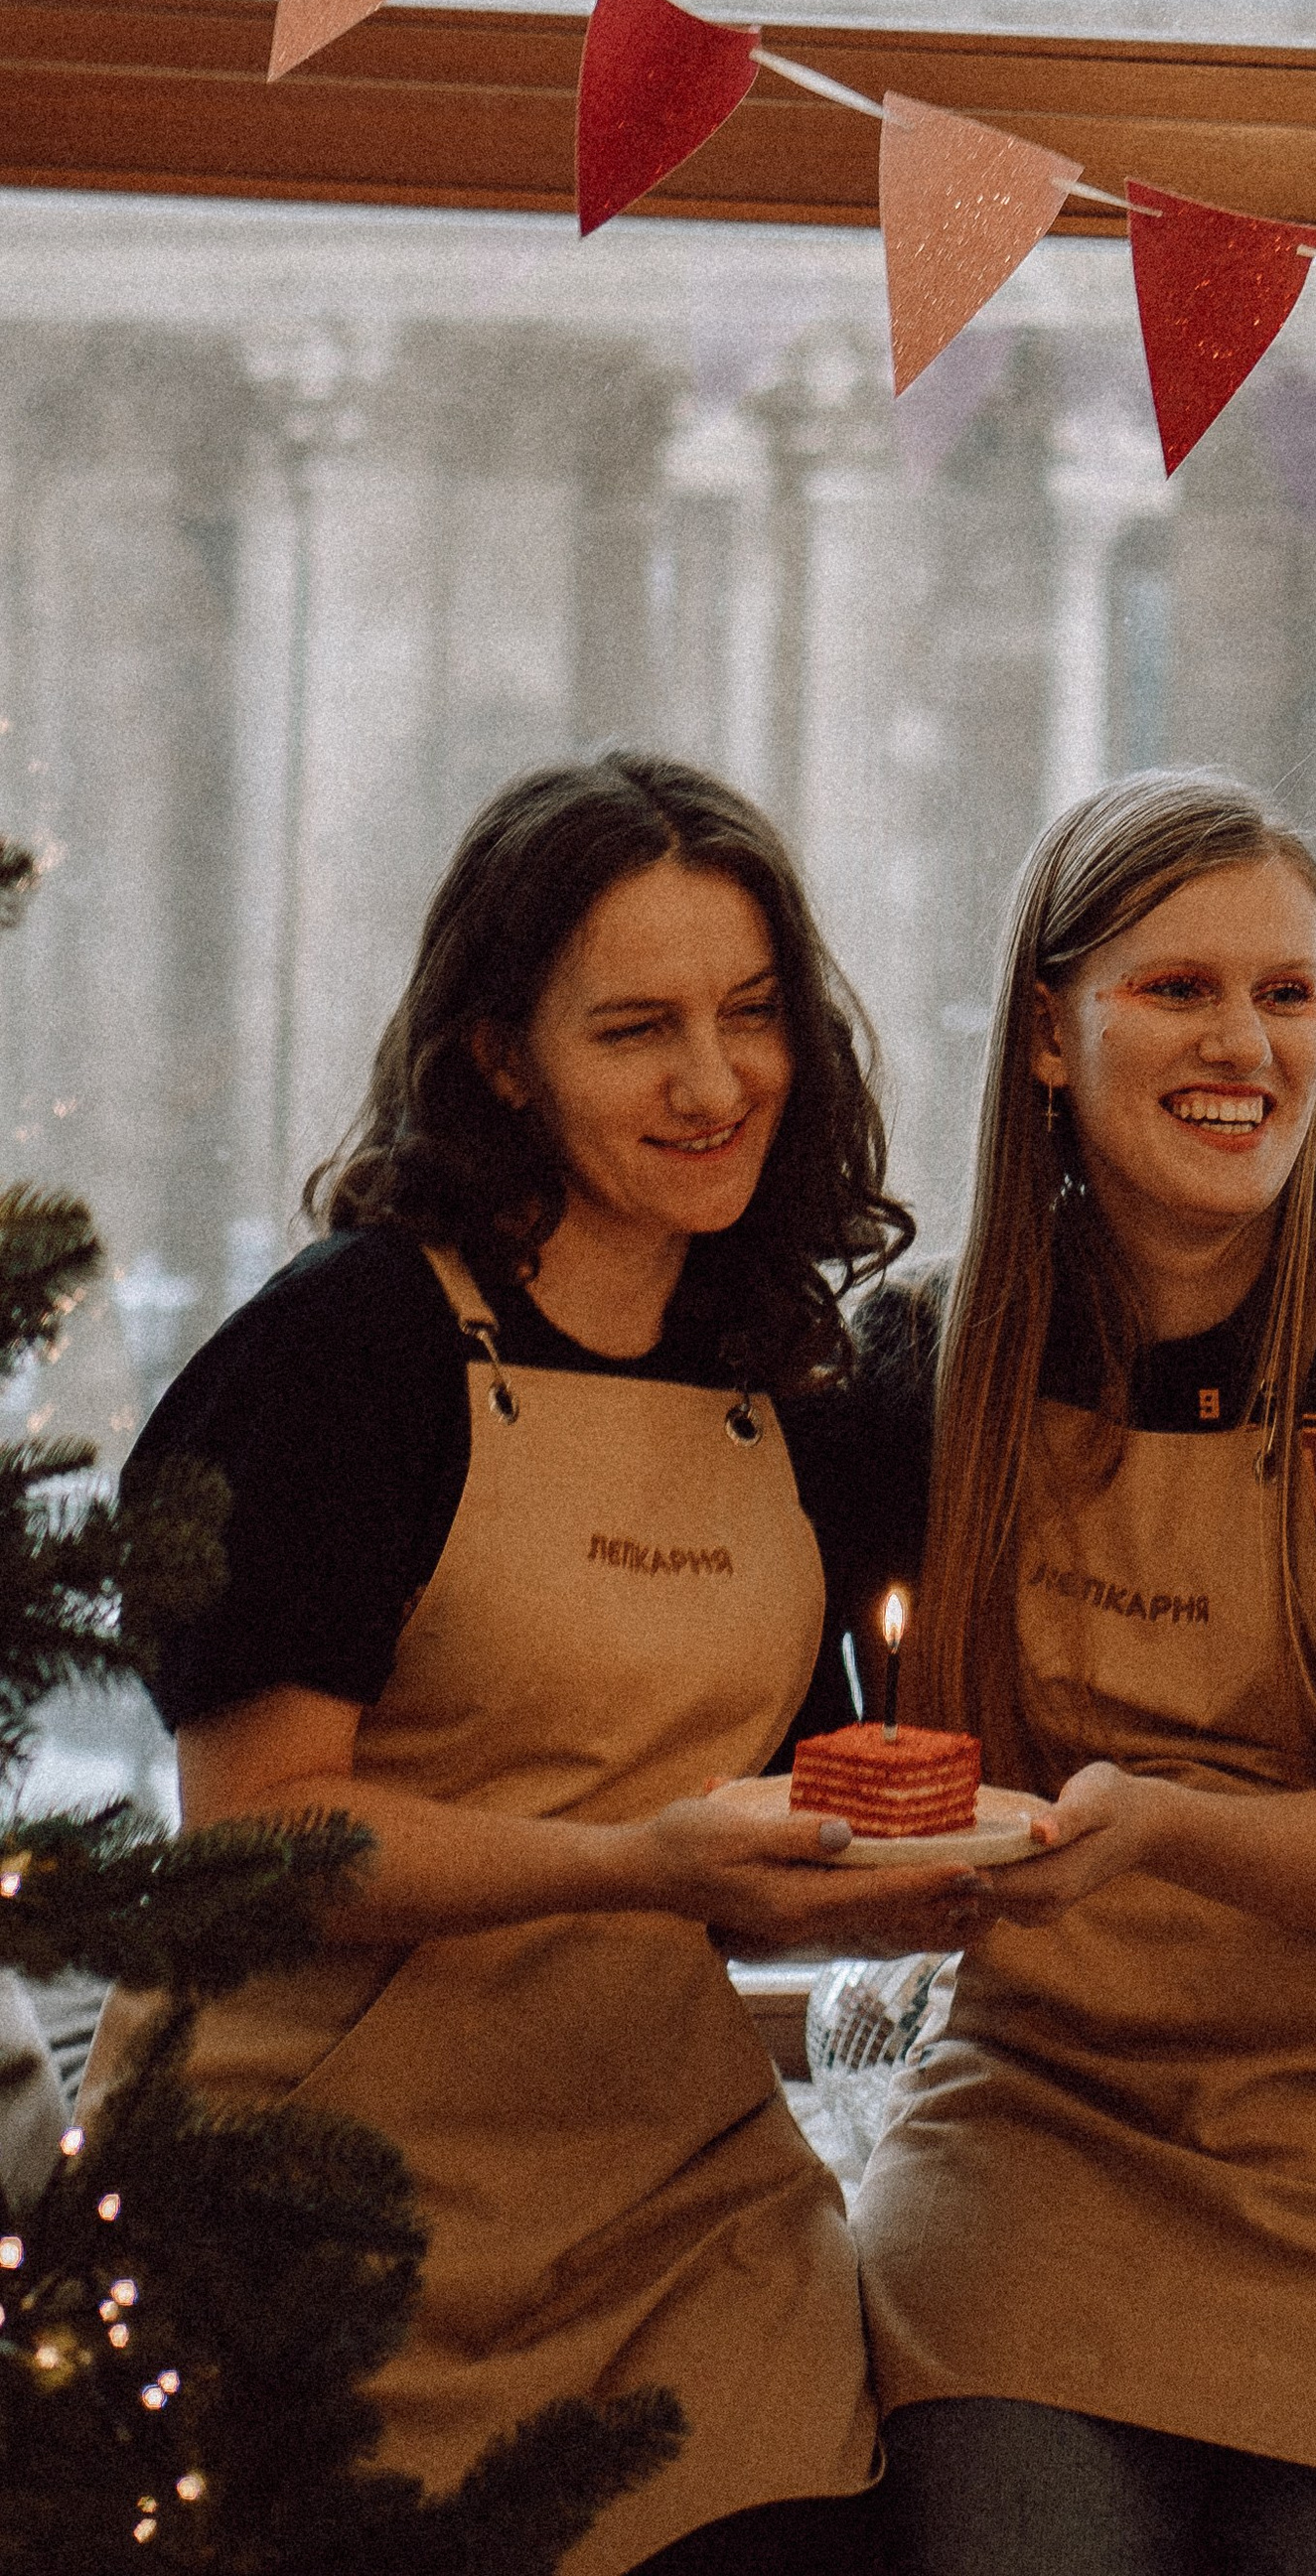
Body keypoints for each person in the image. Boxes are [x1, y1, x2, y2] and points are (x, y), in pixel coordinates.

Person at [87, 755, 975, 2576]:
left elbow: (770, 1828)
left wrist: (883, 1888)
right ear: (499, 1051)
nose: (716, 1082)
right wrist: (636, 1866)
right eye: (638, 1027)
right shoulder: (347, 1354)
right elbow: (257, 1839)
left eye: (752, 1016)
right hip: (316, 2204)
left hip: (680, 2215)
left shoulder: (784, 1381)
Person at [848, 771, 1316, 2576]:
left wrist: (1142, 1826)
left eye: (1289, 991)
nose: (1247, 1045)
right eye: (1179, 987)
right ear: (1052, 1029)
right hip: (1052, 2133)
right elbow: (851, 1769)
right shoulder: (913, 1366)